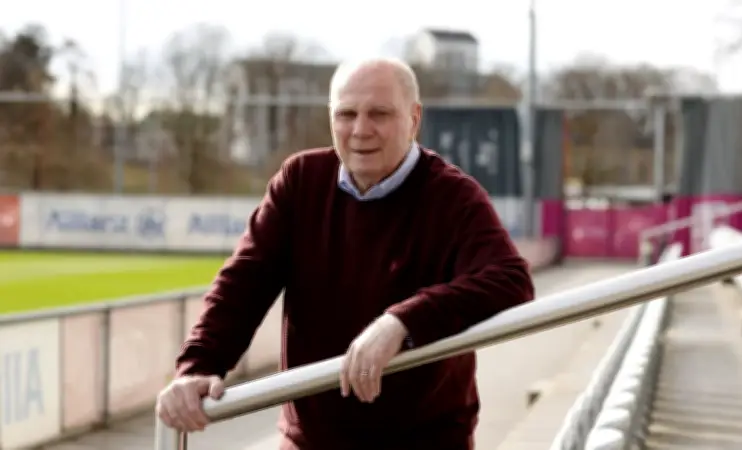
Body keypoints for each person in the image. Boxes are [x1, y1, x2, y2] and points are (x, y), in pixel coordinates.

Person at [156, 56, 535, 450]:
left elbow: (510, 280)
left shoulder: (454, 196)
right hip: (312, 441)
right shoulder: (300, 181)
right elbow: (243, 283)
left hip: (425, 442)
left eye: (379, 114)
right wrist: (198, 365)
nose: (360, 130)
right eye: (347, 114)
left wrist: (401, 323)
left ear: (414, 118)